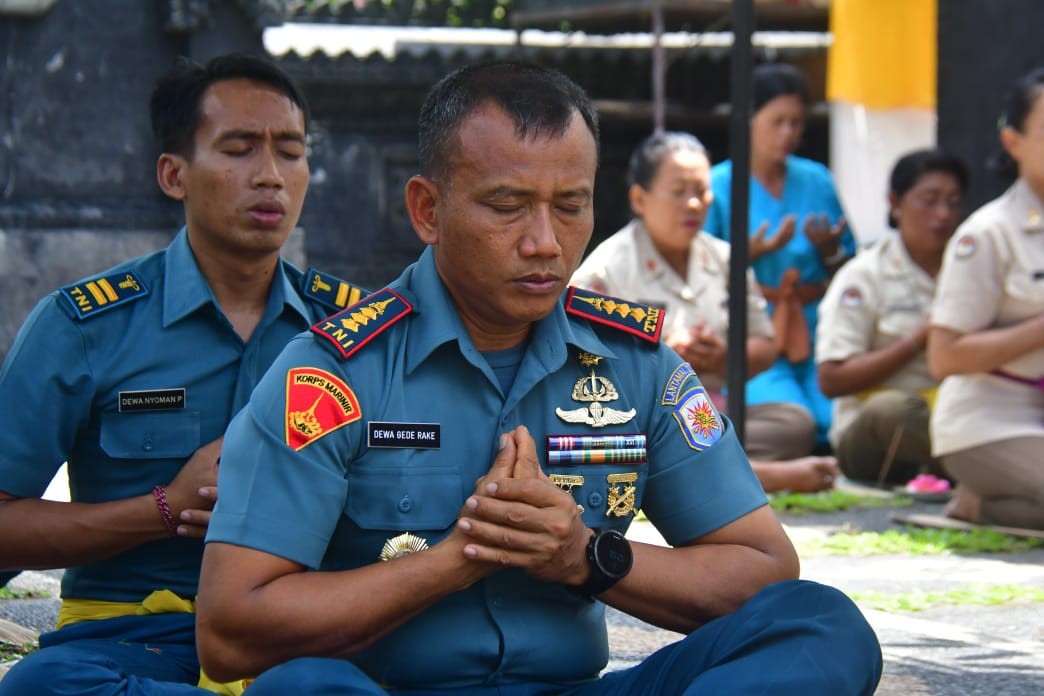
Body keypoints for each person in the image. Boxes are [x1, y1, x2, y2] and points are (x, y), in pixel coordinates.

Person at [195, 60, 881, 695]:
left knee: (819, 625)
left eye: (571, 205)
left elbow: (762, 567)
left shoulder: (636, 365)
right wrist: (455, 561)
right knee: (301, 689)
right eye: (508, 205)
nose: (545, 242)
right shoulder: (331, 376)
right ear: (428, 210)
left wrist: (585, 555)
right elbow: (230, 632)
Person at [0, 53, 363, 695]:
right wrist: (162, 509)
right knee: (43, 684)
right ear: (174, 175)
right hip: (126, 639)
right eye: (239, 149)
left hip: (295, 640)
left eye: (291, 151)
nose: (271, 176)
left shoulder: (355, 332)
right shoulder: (83, 327)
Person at [572, 131, 838, 493]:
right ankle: (762, 475)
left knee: (793, 423)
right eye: (679, 191)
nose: (694, 204)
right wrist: (666, 357)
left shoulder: (727, 260)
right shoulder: (606, 269)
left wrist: (724, 358)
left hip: (711, 409)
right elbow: (580, 359)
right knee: (623, 436)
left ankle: (700, 469)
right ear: (639, 198)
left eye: (701, 191)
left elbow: (765, 345)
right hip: (640, 415)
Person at [705, 63, 857, 447]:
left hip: (817, 327)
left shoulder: (817, 179)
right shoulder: (718, 184)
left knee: (835, 425)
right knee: (795, 423)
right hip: (755, 330)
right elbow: (698, 267)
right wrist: (748, 255)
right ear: (749, 120)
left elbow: (851, 267)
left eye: (796, 122)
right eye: (777, 121)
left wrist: (830, 250)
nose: (788, 132)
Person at [927, 67, 1044, 530]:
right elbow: (944, 356)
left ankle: (986, 502)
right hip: (991, 420)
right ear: (1013, 141)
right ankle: (986, 496)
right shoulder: (988, 233)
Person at [817, 149, 968, 487]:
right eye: (929, 200)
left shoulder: (972, 269)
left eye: (953, 202)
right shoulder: (863, 276)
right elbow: (831, 379)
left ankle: (975, 468)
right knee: (890, 410)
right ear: (895, 203)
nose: (943, 214)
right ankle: (982, 469)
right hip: (875, 432)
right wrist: (918, 338)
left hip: (954, 409)